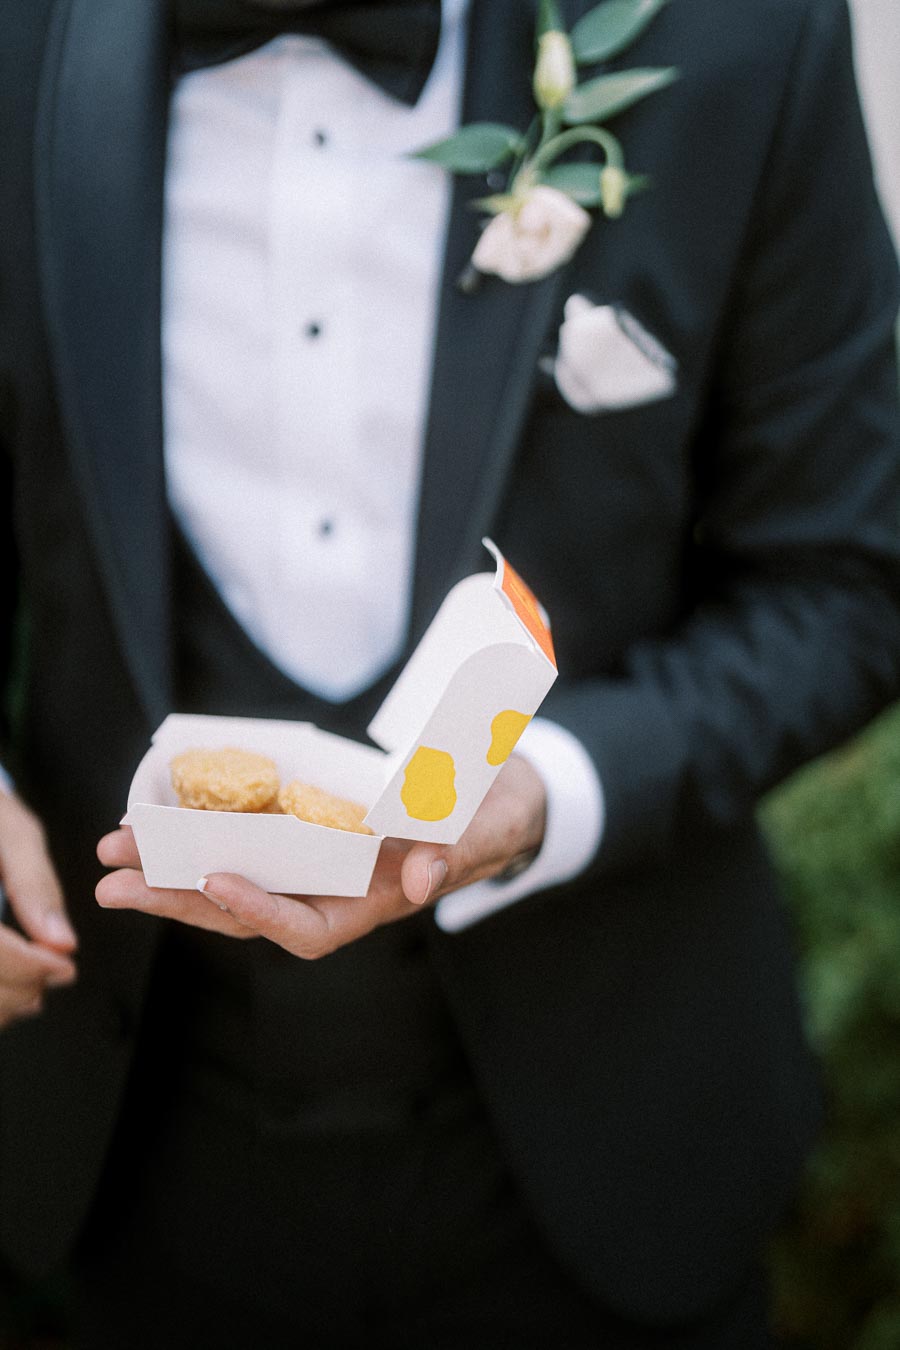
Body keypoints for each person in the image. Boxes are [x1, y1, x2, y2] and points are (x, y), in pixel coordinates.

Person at [1, 0, 899, 1346]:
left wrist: (550, 789)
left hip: (611, 1164)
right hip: (130, 1161)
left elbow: (849, 574)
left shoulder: (738, 30)